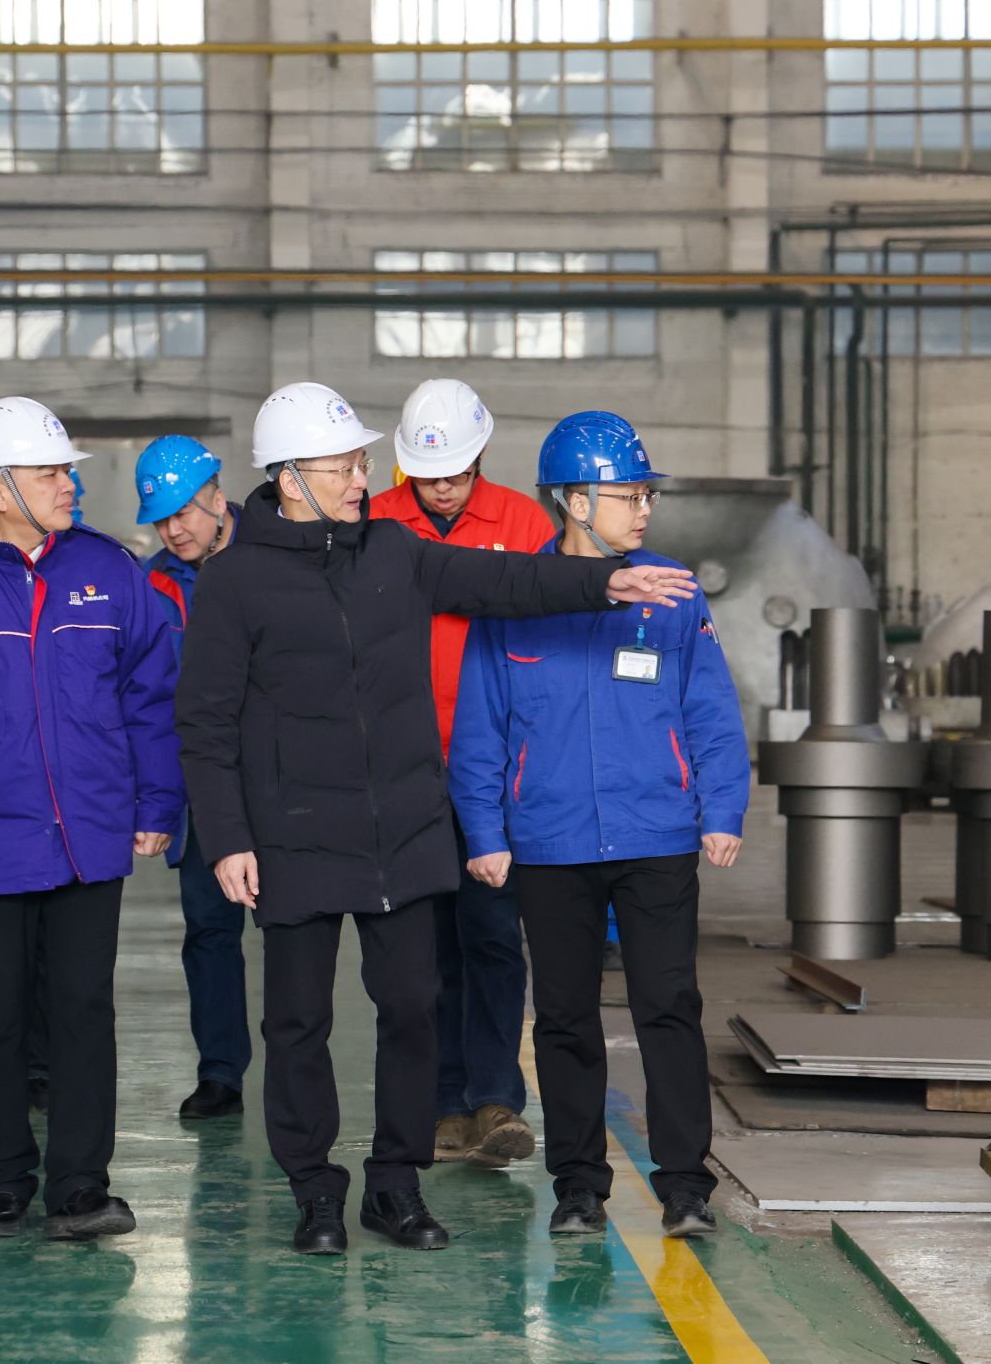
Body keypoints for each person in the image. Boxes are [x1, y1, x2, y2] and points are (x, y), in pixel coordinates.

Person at [174, 381, 696, 1257]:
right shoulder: (235, 581)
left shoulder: (394, 550)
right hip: (295, 832)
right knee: (297, 1022)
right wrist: (227, 836)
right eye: (344, 467)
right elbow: (204, 721)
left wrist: (604, 580)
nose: (362, 478)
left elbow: (505, 578)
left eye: (360, 462)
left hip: (402, 831)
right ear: (291, 479)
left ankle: (395, 1182)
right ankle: (314, 1190)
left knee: (413, 1008)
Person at [447, 410, 749, 1241]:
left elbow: (711, 710)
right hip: (550, 840)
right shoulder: (515, 600)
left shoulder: (673, 593)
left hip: (657, 834)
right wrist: (484, 830)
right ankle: (578, 1185)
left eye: (648, 494)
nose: (644, 509)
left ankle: (685, 1185)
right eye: (628, 495)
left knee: (668, 1008)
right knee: (564, 1018)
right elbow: (481, 726)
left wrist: (721, 806)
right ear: (574, 503)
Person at [0, 395, 185, 1243]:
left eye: (67, 471)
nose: (70, 485)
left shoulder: (109, 571)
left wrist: (157, 800)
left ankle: (80, 1186)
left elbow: (152, 695)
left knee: (83, 1011)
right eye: (50, 474)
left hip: (88, 832)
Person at [370, 377, 545, 1171]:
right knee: (424, 943)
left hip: (495, 769)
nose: (442, 488)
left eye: (456, 472)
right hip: (402, 768)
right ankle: (442, 1101)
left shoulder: (522, 522)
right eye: (428, 474)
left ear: (480, 456)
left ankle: (495, 1096)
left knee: (493, 935)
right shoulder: (374, 523)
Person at [134, 434, 249, 1121]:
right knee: (209, 928)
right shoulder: (152, 586)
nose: (173, 530)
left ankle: (300, 1069)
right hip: (204, 783)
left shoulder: (271, 556)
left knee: (298, 931)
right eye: (160, 520)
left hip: (281, 774)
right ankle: (221, 1072)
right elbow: (147, 697)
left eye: (182, 512)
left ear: (217, 496)